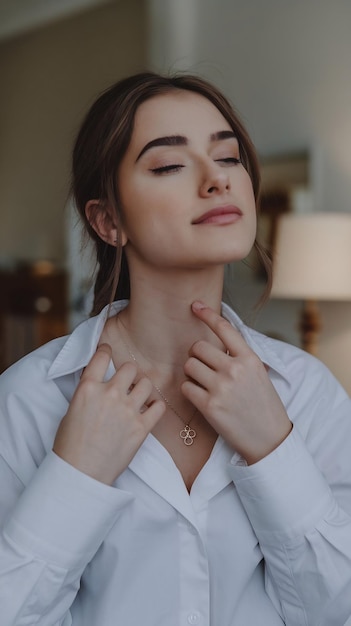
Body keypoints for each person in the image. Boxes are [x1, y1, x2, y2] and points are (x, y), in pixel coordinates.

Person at [0, 71, 351, 626]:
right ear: (108, 220)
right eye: (169, 165)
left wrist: (274, 450)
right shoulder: (26, 402)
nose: (217, 181)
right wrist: (74, 477)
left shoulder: (307, 393)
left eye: (230, 158)